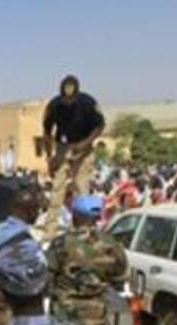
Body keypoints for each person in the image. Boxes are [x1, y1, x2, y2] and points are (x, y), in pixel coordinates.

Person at [46, 195, 129, 325]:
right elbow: (120, 277)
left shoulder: (60, 243)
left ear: (74, 216)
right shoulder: (111, 245)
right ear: (98, 218)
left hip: (64, 317)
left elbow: (46, 278)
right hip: (96, 318)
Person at [43, 74, 106, 232]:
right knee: (58, 188)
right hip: (63, 147)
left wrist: (85, 143)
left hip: (84, 146)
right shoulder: (54, 105)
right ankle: (50, 229)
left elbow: (100, 126)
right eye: (66, 101)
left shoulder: (88, 103)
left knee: (81, 188)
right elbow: (46, 131)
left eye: (71, 101)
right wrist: (50, 157)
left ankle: (80, 229)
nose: (68, 104)